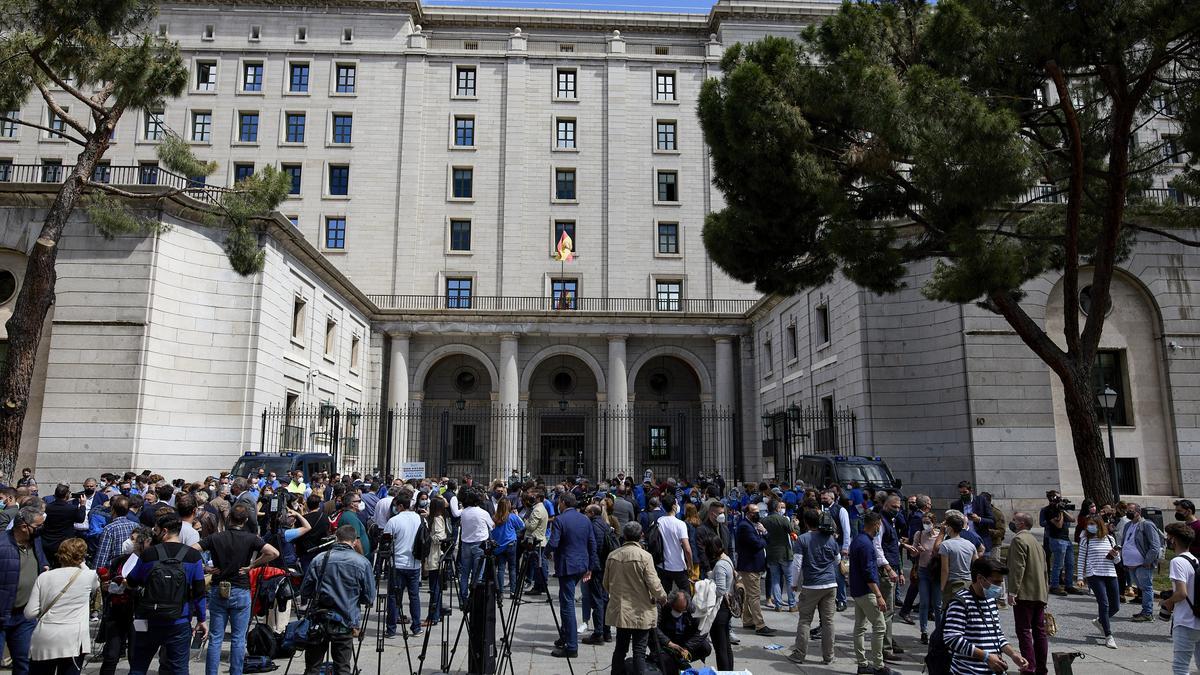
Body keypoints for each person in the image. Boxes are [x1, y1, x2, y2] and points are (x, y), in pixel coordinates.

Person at [195, 503, 279, 675]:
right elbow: (273, 553)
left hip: (219, 587)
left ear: (228, 518)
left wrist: (205, 568)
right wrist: (252, 565)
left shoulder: (216, 537)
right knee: (238, 638)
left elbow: (191, 550)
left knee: (215, 638)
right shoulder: (250, 538)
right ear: (246, 520)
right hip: (240, 587)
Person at [126, 512, 208, 675]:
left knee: (138, 665)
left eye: (155, 530)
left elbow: (132, 581)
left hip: (147, 619)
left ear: (164, 531)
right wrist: (201, 619)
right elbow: (199, 591)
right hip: (179, 619)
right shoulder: (193, 556)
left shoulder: (149, 554)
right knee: (179, 668)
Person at [298, 525, 376, 675]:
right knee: (342, 667)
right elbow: (369, 597)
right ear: (354, 542)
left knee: (312, 667)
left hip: (319, 619)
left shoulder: (319, 558)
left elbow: (305, 591)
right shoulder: (362, 562)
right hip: (345, 620)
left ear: (336, 538)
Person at [944, 558, 1030, 675]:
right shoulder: (961, 602)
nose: (999, 586)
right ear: (980, 578)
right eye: (995, 582)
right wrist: (986, 657)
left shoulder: (990, 599)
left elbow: (997, 635)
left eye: (1001, 582)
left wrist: (1013, 654)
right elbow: (952, 638)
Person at [25, 538, 98, 675]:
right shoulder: (89, 576)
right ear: (82, 556)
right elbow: (95, 585)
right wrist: (81, 563)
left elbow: (30, 612)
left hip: (45, 636)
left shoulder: (44, 577)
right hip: (74, 638)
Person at [605, 521, 668, 675]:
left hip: (622, 610)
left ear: (624, 536)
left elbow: (606, 584)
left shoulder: (613, 555)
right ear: (641, 536)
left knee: (620, 648)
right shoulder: (645, 557)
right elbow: (654, 583)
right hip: (642, 610)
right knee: (639, 650)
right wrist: (662, 597)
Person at [547, 492, 598, 658]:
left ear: (562, 502)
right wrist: (590, 566)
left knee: (567, 604)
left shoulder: (560, 520)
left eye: (559, 502)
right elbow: (592, 543)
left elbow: (553, 543)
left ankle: (571, 645)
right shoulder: (585, 519)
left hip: (567, 565)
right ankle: (564, 636)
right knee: (566, 600)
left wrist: (545, 552)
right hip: (582, 564)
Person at [789, 508, 839, 666]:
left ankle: (799, 654)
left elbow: (797, 565)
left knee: (804, 620)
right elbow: (838, 561)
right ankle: (829, 656)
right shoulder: (830, 539)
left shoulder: (802, 539)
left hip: (811, 585)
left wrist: (794, 584)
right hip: (831, 584)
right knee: (828, 622)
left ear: (805, 522)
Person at [851, 512, 895, 675]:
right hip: (867, 591)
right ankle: (878, 666)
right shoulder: (866, 545)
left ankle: (862, 664)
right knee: (880, 626)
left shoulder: (858, 540)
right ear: (876, 524)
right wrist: (878, 595)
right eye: (879, 526)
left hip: (857, 590)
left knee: (860, 627)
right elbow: (869, 572)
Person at [1006, 512, 1049, 674]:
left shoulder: (1019, 540)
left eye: (1015, 520)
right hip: (1039, 593)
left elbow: (1018, 568)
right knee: (1039, 632)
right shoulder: (1036, 542)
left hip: (1025, 593)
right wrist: (1045, 593)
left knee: (1024, 631)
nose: (1012, 522)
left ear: (1022, 524)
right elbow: (1045, 570)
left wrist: (1012, 591)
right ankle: (1041, 668)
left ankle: (1029, 667)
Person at [1076, 513, 1120, 649]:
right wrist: (1080, 577)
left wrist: (1116, 555)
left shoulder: (1110, 539)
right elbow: (1081, 558)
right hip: (1094, 574)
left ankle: (1101, 621)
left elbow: (1118, 561)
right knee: (1104, 603)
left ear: (1099, 525)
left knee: (1116, 606)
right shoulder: (1085, 540)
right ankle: (1108, 635)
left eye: (1092, 524)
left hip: (1110, 573)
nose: (1090, 527)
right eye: (1088, 524)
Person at [384, 487, 423, 638]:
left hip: (397, 563)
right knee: (414, 596)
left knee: (393, 596)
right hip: (414, 563)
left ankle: (391, 629)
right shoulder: (420, 519)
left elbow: (386, 542)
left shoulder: (394, 521)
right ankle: (416, 627)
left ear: (400, 506)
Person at [1162, 522, 1199, 674]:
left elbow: (1182, 593)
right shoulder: (1195, 561)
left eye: (1168, 538)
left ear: (1174, 540)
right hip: (1198, 619)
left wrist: (1168, 601)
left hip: (1186, 621)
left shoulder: (1178, 561)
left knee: (1180, 667)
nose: (1167, 541)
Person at [1114, 503, 1161, 621]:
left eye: (1131, 510)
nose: (1128, 512)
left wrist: (1148, 560)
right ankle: (1145, 610)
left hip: (1143, 563)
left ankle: (1148, 613)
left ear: (1138, 512)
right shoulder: (1128, 525)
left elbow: (1155, 545)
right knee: (1140, 587)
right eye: (1127, 510)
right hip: (1130, 564)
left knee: (1146, 588)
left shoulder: (1147, 525)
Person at [734, 503, 776, 636]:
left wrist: (764, 532)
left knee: (748, 595)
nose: (758, 514)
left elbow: (767, 539)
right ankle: (760, 624)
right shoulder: (745, 527)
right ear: (748, 513)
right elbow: (758, 544)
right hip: (750, 566)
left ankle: (747, 620)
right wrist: (763, 536)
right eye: (754, 512)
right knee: (755, 596)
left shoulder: (754, 525)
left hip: (753, 565)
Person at [655, 590, 712, 675]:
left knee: (705, 647)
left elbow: (702, 631)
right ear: (671, 604)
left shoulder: (692, 608)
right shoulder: (662, 607)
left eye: (683, 610)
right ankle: (676, 662)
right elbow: (654, 628)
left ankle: (679, 660)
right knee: (666, 661)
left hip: (685, 642)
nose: (680, 612)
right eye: (677, 610)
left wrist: (687, 647)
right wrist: (668, 643)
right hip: (668, 643)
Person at [581, 503, 613, 645]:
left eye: (586, 512)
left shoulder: (593, 526)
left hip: (597, 568)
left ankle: (598, 633)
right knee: (605, 598)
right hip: (605, 566)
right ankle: (607, 632)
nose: (585, 514)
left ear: (592, 513)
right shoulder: (605, 525)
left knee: (597, 599)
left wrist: (590, 568)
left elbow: (594, 548)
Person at [704, 536, 735, 671]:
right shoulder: (727, 559)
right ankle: (729, 671)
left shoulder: (720, 564)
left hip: (720, 609)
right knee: (726, 645)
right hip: (725, 608)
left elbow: (721, 589)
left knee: (720, 647)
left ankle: (724, 671)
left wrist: (706, 587)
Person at [910, 510, 942, 644]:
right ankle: (923, 631)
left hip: (936, 572)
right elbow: (912, 553)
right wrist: (916, 551)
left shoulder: (940, 536)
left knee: (937, 604)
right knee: (924, 602)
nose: (925, 525)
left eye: (928, 523)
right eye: (923, 523)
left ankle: (940, 631)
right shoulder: (919, 534)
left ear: (934, 523)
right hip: (923, 571)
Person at [457, 488, 493, 604]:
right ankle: (474, 598)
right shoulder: (483, 513)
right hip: (479, 543)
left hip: (466, 544)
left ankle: (464, 599)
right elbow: (492, 526)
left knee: (465, 573)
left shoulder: (464, 512)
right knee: (478, 573)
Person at [1039, 491, 1076, 595]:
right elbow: (1059, 525)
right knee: (1058, 564)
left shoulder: (1061, 509)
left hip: (1067, 539)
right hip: (1056, 539)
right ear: (1051, 498)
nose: (1059, 499)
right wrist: (1059, 511)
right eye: (1056, 497)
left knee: (1070, 563)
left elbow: (1073, 519)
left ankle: (1069, 585)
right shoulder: (1048, 511)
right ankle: (1054, 586)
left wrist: (1062, 510)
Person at [939, 511, 980, 607]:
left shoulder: (945, 545)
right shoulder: (970, 544)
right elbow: (977, 564)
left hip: (952, 583)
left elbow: (945, 570)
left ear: (950, 527)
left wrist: (942, 587)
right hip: (968, 582)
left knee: (950, 611)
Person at [762, 498, 795, 612]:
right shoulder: (784, 520)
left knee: (775, 579)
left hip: (772, 553)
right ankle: (792, 604)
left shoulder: (764, 521)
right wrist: (796, 525)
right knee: (789, 579)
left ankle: (778, 604)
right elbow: (792, 532)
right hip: (785, 553)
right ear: (777, 508)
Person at [41, 485, 85, 566]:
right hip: (64, 543)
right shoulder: (71, 508)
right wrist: (82, 505)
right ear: (66, 495)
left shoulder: (48, 507)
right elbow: (80, 519)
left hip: (48, 541)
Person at [655, 496, 692, 592]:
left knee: (665, 595)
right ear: (674, 506)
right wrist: (690, 565)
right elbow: (687, 548)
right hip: (679, 565)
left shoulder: (659, 521)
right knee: (686, 594)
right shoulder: (680, 524)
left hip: (662, 565)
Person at [422, 495, 449, 627]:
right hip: (434, 555)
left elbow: (440, 537)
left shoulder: (437, 519)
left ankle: (434, 615)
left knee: (434, 587)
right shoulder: (437, 518)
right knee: (435, 587)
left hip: (435, 555)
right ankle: (436, 614)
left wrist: (428, 537)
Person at [490, 497, 524, 598]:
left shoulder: (494, 518)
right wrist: (518, 516)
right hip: (511, 544)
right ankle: (513, 591)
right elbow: (522, 526)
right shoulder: (512, 517)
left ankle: (500, 592)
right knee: (512, 568)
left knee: (501, 568)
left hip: (500, 546)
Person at [951, 482, 994, 551]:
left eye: (965, 492)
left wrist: (979, 519)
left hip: (981, 540)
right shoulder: (955, 505)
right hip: (964, 542)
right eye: (960, 493)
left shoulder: (981, 500)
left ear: (971, 491)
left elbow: (992, 520)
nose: (962, 495)